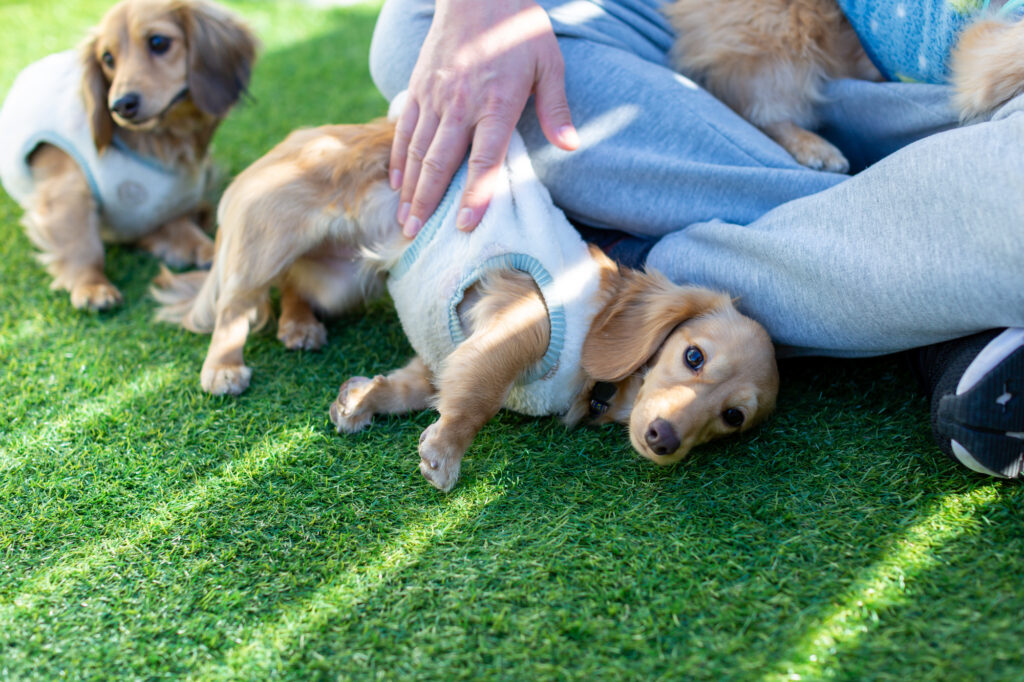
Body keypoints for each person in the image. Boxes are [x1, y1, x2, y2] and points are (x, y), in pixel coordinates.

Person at [367, 0, 1024, 477]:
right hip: (759, 33)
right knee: (419, 25)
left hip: (966, 110)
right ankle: (927, 290)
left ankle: (640, 266)